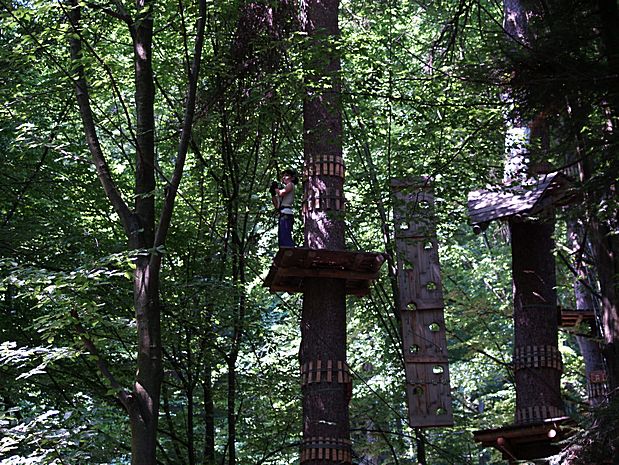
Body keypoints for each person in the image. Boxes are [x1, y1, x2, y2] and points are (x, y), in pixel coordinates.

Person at [275, 168, 298, 247]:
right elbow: (277, 205)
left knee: (285, 236)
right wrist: (273, 194)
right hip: (282, 213)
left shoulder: (290, 184)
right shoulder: (284, 188)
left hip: (286, 213)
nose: (284, 177)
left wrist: (276, 189)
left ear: (292, 178)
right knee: (281, 237)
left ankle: (290, 251)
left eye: (287, 175)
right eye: (283, 176)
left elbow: (281, 193)